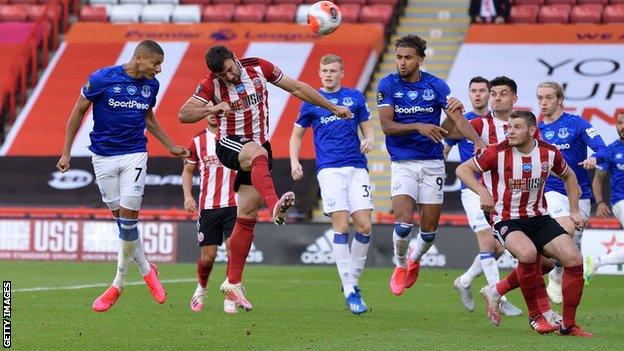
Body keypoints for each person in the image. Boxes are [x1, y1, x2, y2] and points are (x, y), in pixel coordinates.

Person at [178, 45, 352, 311]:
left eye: (231, 70)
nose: (231, 77)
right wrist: (211, 109)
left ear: (235, 59)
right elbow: (183, 113)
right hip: (231, 144)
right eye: (224, 75)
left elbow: (296, 88)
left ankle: (233, 282)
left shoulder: (258, 66)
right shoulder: (210, 84)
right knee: (258, 154)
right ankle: (275, 206)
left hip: (259, 146)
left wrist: (331, 107)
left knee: (246, 215)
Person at [56, 40, 189, 312]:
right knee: (122, 222)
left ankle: (117, 283)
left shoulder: (151, 85)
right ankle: (146, 266)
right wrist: (66, 152)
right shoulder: (102, 78)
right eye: (156, 63)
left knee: (129, 219)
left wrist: (170, 145)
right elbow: (77, 112)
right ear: (139, 59)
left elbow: (148, 116)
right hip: (103, 157)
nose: (160, 70)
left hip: (135, 154)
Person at [456, 110, 592, 337]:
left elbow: (569, 176)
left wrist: (575, 210)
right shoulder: (497, 152)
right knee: (528, 255)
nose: (510, 131)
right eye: (509, 126)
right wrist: (482, 191)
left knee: (572, 260)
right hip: (505, 218)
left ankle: (568, 325)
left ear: (531, 131)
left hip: (538, 216)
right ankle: (537, 317)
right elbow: (462, 169)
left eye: (516, 127)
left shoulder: (549, 153)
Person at [376, 34, 487, 296]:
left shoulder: (436, 85)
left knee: (428, 234)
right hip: (402, 162)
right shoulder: (387, 84)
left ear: (420, 59)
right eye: (399, 57)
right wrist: (418, 125)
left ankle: (415, 259)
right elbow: (386, 126)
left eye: (408, 58)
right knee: (403, 225)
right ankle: (401, 264)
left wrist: (479, 141)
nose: (402, 63)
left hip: (433, 163)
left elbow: (457, 118)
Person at [289, 54, 375, 315]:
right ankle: (350, 290)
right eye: (324, 70)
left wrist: (369, 139)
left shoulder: (355, 97)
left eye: (332, 70)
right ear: (319, 72)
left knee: (365, 226)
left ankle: (352, 281)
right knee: (341, 225)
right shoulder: (311, 102)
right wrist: (294, 161)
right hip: (329, 170)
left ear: (342, 73)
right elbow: (296, 136)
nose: (327, 74)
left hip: (357, 168)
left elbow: (368, 128)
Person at [444, 76, 522, 316]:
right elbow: (444, 148)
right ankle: (499, 296)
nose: (478, 95)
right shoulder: (467, 123)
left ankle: (465, 281)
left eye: (482, 91)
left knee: (499, 248)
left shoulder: (504, 125)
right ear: (469, 95)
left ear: (489, 94)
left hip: (501, 190)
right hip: (472, 190)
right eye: (473, 91)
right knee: (488, 241)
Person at [536, 81, 608, 304]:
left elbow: (602, 148)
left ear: (560, 100)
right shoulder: (537, 129)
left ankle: (557, 276)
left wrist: (594, 158)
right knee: (564, 229)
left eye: (548, 97)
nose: (543, 102)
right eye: (540, 98)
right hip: (552, 190)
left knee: (573, 248)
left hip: (580, 193)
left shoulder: (578, 124)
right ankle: (549, 274)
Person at [182, 113, 238, 314]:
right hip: (208, 207)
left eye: (219, 111)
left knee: (234, 249)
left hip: (234, 205)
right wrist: (188, 197)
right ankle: (201, 288)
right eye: (210, 110)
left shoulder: (236, 137)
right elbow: (188, 171)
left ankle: (231, 294)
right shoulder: (197, 141)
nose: (214, 114)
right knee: (208, 257)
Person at [586, 112, 624, 284]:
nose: (622, 127)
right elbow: (598, 179)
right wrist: (600, 202)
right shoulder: (611, 150)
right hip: (621, 201)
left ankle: (597, 261)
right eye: (619, 123)